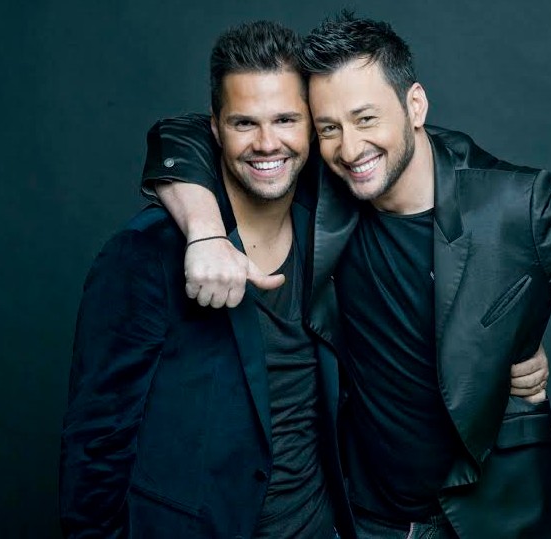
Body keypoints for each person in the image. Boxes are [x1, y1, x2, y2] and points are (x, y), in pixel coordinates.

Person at [135, 16, 551, 539]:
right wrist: (205, 233)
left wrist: (504, 344)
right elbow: (183, 134)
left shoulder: (517, 205)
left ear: (415, 106)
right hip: (367, 520)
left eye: (366, 118)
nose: (350, 148)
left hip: (498, 515)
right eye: (329, 128)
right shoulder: (327, 183)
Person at [60, 21, 354, 539]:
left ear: (311, 125)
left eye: (286, 119)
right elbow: (96, 443)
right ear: (215, 129)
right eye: (244, 123)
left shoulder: (332, 225)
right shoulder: (145, 254)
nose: (267, 143)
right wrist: (204, 233)